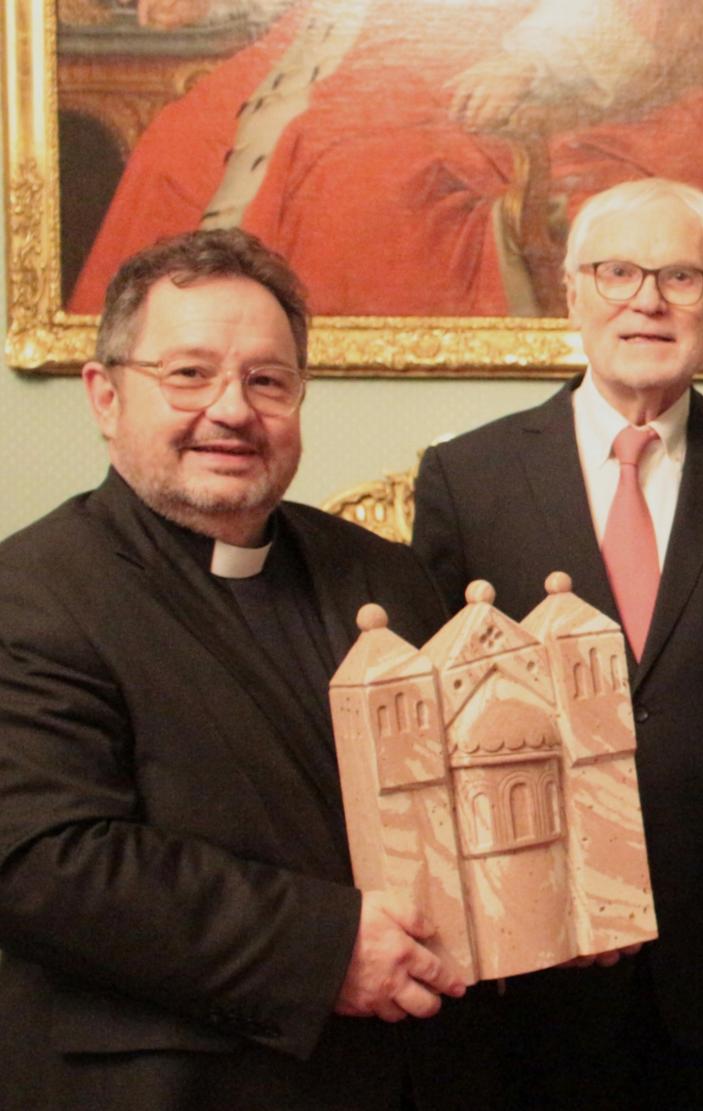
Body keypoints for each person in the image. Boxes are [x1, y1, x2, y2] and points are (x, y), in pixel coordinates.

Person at [0, 228, 501, 1107]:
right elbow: (48, 863)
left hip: (404, 1074)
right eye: (188, 374)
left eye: (268, 380)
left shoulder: (379, 573)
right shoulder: (30, 592)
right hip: (172, 1081)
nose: (232, 409)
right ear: (105, 395)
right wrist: (325, 948)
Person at [411, 178, 703, 1108]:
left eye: (681, 276)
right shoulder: (470, 477)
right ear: (572, 289)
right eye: (617, 271)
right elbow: (437, 725)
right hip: (532, 959)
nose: (646, 300)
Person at [68, 0, 703, 317]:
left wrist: (531, 60)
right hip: (342, 50)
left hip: (521, 67)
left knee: (358, 184)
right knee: (177, 148)